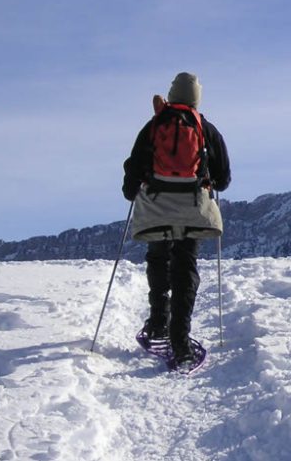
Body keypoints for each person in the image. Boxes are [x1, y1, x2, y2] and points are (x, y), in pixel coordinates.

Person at [122, 72, 231, 365]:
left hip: (157, 206)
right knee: (186, 267)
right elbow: (223, 179)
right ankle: (180, 341)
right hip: (192, 210)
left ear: (172, 95)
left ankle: (158, 322)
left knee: (158, 259)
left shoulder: (154, 125)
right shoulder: (206, 129)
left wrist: (131, 191)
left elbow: (134, 167)